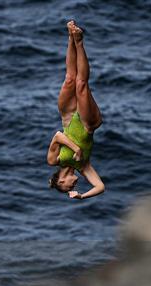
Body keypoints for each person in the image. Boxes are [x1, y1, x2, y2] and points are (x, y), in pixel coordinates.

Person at [47, 21, 105, 199]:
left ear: (61, 182)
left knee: (70, 78)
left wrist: (76, 150)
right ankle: (79, 41)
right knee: (81, 85)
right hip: (88, 123)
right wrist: (82, 196)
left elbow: (58, 136)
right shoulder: (84, 166)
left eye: (69, 188)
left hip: (68, 117)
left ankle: (71, 36)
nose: (75, 184)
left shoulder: (53, 161)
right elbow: (100, 187)